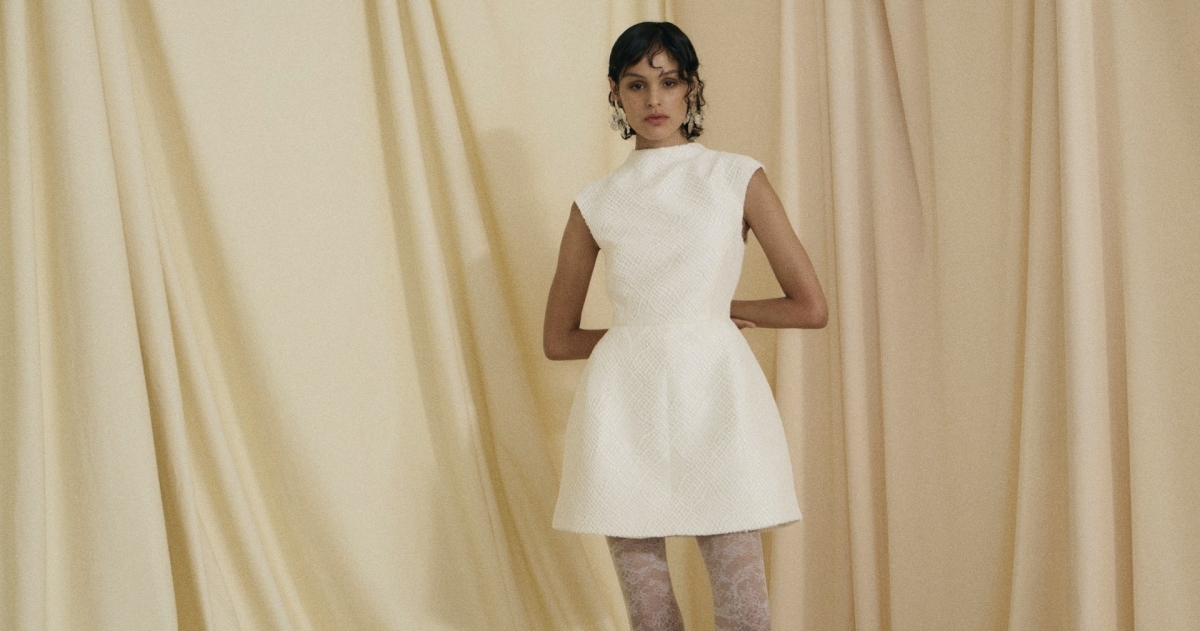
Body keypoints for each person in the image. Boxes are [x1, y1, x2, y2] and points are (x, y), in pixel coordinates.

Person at [543, 21, 828, 631]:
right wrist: (644, 332)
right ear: (615, 93)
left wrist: (714, 312)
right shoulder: (596, 201)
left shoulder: (735, 177)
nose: (655, 99)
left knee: (745, 616)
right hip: (622, 411)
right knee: (650, 619)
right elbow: (558, 339)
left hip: (718, 403)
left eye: (669, 82)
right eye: (636, 84)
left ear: (692, 87)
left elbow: (810, 306)